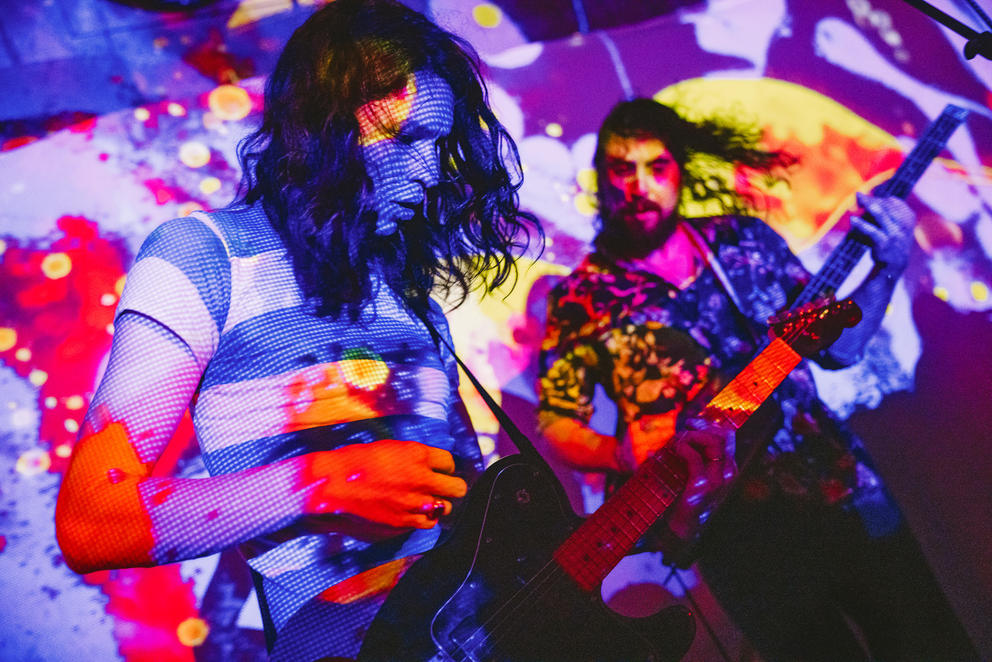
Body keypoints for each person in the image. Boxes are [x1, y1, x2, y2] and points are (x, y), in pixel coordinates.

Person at [52, 1, 548, 659]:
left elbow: (480, 530)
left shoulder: (410, 295)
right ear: (320, 124)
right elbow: (91, 523)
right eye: (405, 140)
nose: (430, 173)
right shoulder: (203, 255)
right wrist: (327, 480)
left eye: (439, 145)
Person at [537, 98, 979, 661]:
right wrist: (621, 451)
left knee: (931, 647)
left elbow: (840, 347)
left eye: (657, 167)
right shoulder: (581, 298)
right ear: (601, 177)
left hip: (840, 487)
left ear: (680, 171)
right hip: (735, 533)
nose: (639, 186)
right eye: (622, 169)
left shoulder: (743, 241)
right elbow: (555, 419)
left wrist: (888, 265)